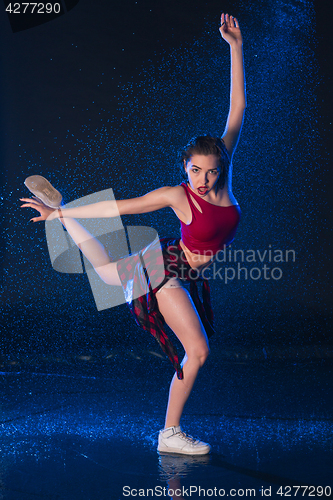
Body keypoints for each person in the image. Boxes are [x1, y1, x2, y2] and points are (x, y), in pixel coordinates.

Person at [20, 12, 246, 455]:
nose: (203, 179)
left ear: (221, 166)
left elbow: (237, 110)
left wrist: (235, 47)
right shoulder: (177, 195)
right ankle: (170, 433)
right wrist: (73, 207)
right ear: (186, 167)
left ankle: (64, 217)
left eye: (210, 171)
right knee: (196, 352)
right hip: (170, 267)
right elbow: (120, 208)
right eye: (195, 170)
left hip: (176, 264)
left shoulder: (224, 173)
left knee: (107, 276)